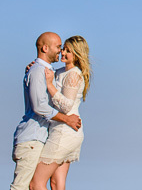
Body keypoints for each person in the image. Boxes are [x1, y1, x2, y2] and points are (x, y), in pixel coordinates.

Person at [10, 33, 82, 190]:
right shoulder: (38, 71)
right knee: (23, 186)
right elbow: (39, 106)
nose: (61, 51)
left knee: (36, 184)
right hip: (32, 137)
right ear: (45, 48)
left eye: (64, 49)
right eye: (59, 47)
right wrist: (66, 119)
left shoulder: (49, 71)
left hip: (44, 136)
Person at [29, 35, 91, 190]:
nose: (63, 53)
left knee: (36, 183)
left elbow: (66, 106)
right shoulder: (62, 71)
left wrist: (50, 85)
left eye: (68, 51)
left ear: (77, 54)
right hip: (62, 129)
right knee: (57, 184)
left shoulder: (74, 75)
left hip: (65, 132)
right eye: (63, 48)